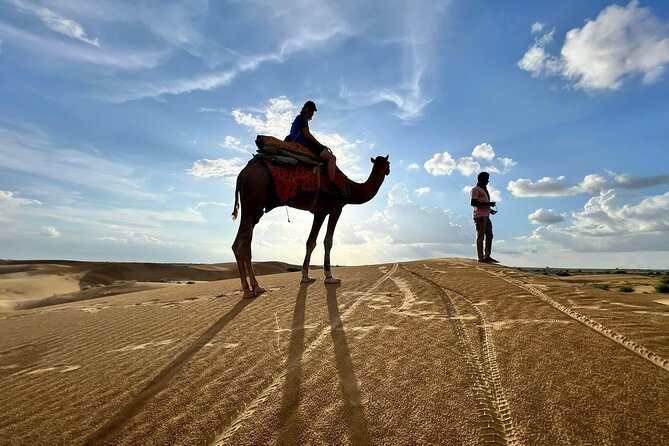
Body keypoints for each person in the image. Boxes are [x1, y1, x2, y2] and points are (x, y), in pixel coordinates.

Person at [288, 100, 339, 193]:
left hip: (298, 143)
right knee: (332, 158)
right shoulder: (302, 117)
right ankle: (332, 185)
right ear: (305, 109)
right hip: (304, 143)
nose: (311, 113)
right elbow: (307, 134)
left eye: (313, 111)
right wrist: (321, 145)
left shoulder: (297, 119)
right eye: (310, 110)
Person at [471, 171, 499, 263]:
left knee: (489, 235)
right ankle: (481, 258)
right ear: (482, 179)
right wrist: (489, 204)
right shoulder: (476, 189)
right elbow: (473, 203)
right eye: (486, 179)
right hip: (480, 216)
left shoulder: (484, 189)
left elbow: (480, 203)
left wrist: (490, 210)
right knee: (481, 236)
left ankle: (487, 256)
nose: (488, 181)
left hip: (486, 216)